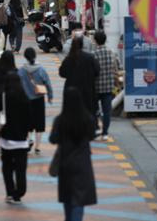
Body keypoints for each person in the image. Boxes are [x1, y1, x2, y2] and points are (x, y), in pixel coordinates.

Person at [49, 87, 97, 221]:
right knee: (79, 200)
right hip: (82, 164)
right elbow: (92, 135)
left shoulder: (60, 120)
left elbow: (53, 139)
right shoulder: (87, 118)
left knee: (67, 198)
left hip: (65, 163)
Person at [0, 72, 31, 205]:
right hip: (21, 140)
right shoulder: (24, 97)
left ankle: (9, 192)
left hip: (6, 139)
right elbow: (30, 119)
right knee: (21, 168)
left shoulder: (1, 97)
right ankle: (19, 192)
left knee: (7, 166)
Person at [18, 48, 54, 154]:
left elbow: (18, 85)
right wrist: (50, 96)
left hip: (26, 100)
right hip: (38, 99)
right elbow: (48, 83)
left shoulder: (22, 70)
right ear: (35, 56)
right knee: (39, 124)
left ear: (25, 56)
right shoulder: (41, 69)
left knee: (27, 122)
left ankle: (29, 139)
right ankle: (37, 147)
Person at [59, 34, 100, 117]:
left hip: (71, 90)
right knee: (87, 113)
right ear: (82, 45)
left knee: (72, 114)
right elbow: (97, 71)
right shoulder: (89, 58)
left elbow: (62, 73)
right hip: (87, 90)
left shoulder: (69, 58)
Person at [93, 31, 120, 140]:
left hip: (95, 86)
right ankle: (105, 133)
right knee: (107, 111)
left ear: (95, 40)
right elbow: (117, 68)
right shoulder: (112, 53)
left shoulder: (93, 54)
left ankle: (96, 128)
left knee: (93, 110)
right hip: (109, 86)